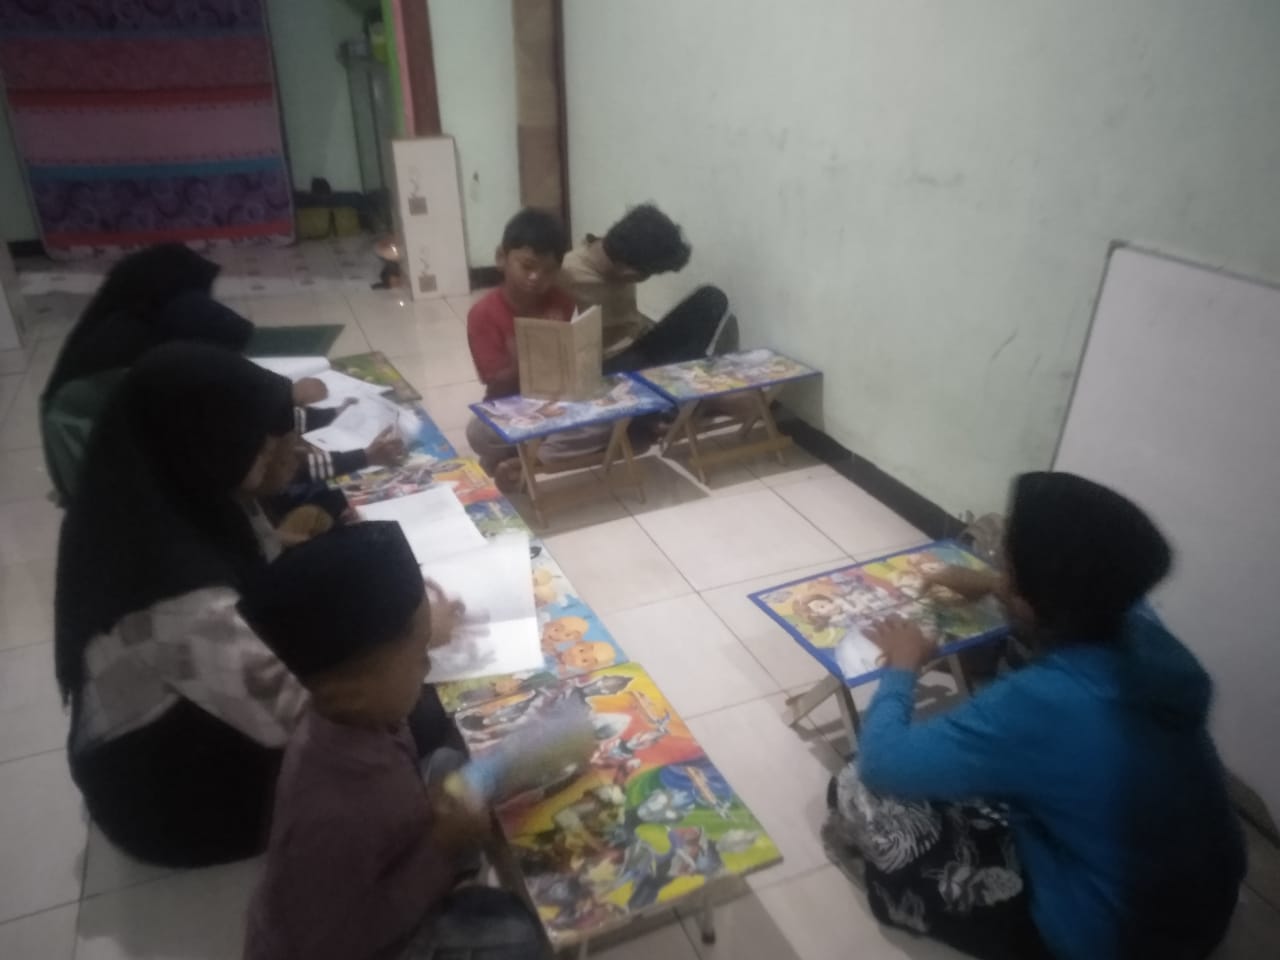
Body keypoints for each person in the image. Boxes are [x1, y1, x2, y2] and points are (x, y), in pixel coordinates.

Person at [823, 472, 1245, 960]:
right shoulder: (1144, 629)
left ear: (1030, 595)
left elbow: (883, 764)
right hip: (1204, 911)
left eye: (1005, 561)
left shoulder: (1041, 701)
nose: (998, 565)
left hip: (1111, 939)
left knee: (855, 784)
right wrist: (994, 585)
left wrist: (902, 667)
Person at [54, 342, 311, 866]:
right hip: (165, 805)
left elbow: (262, 562)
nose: (276, 458)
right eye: (261, 451)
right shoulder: (184, 600)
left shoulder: (143, 494)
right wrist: (413, 635)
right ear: (205, 444)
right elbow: (301, 720)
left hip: (164, 732)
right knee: (388, 735)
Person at [240, 521, 542, 960]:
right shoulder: (334, 810)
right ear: (353, 691)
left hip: (379, 858)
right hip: (345, 945)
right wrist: (441, 846)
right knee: (514, 936)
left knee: (448, 763)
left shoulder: (358, 715)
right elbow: (343, 938)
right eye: (420, 654)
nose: (428, 666)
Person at [464, 209, 610, 486]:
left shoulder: (562, 302)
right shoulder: (483, 314)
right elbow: (493, 378)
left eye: (548, 271)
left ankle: (528, 461)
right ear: (501, 258)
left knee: (607, 419)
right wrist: (529, 353)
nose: (535, 277)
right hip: (512, 404)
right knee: (479, 433)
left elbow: (577, 362)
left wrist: (583, 353)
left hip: (559, 400)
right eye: (527, 266)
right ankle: (536, 450)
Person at [560, 203, 736, 371]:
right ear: (629, 272)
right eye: (648, 274)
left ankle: (691, 369)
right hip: (603, 367)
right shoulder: (566, 276)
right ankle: (688, 372)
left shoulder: (616, 247)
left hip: (634, 345)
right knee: (635, 360)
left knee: (711, 299)